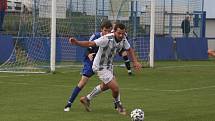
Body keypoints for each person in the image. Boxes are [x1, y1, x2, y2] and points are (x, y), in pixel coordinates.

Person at [69, 23, 142, 115]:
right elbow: (90, 43)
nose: (121, 35)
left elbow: (129, 49)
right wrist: (76, 42)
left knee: (106, 85)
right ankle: (118, 105)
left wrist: (135, 61)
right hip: (99, 66)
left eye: (123, 33)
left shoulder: (123, 38)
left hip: (109, 66)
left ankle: (87, 99)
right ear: (114, 31)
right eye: (119, 33)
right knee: (115, 88)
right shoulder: (107, 38)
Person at [64, 20, 113, 112]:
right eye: (105, 30)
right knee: (82, 82)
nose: (107, 33)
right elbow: (88, 47)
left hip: (103, 63)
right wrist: (88, 54)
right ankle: (69, 103)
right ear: (101, 30)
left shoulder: (112, 38)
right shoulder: (95, 36)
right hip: (90, 62)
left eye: (109, 31)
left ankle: (89, 99)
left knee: (111, 83)